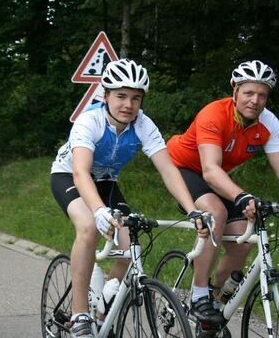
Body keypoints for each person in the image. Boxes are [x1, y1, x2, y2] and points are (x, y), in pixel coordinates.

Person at [166, 60, 279, 329]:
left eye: (262, 95)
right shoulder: (214, 114)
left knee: (243, 243)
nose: (255, 100)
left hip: (216, 174)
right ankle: (198, 294)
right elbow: (209, 171)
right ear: (234, 90)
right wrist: (242, 196)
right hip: (182, 168)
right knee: (216, 212)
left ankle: (213, 302)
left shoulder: (268, 123)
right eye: (249, 93)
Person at [50, 58, 212, 337]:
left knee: (130, 245)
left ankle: (103, 310)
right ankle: (79, 315)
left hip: (107, 182)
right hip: (70, 177)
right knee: (88, 227)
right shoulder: (89, 121)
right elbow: (80, 173)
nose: (128, 104)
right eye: (121, 96)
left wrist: (192, 209)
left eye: (136, 98)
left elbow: (168, 170)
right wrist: (99, 210)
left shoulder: (143, 125)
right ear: (106, 95)